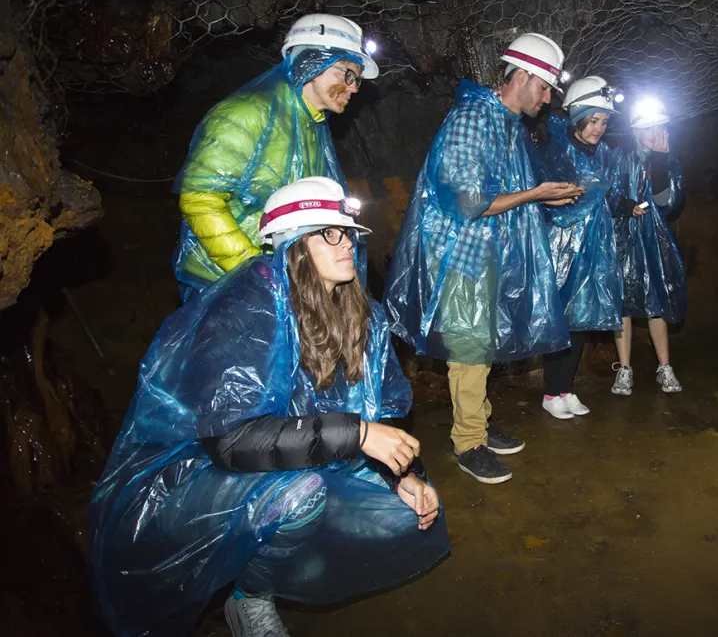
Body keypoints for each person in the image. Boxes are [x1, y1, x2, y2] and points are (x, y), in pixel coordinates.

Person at [89, 177, 449, 637]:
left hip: (302, 455)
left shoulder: (359, 311)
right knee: (301, 496)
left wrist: (407, 475)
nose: (347, 244)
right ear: (293, 245)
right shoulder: (246, 308)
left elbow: (381, 410)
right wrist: (357, 435)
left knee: (401, 514)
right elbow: (231, 441)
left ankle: (288, 553)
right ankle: (249, 597)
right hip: (195, 475)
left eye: (348, 232)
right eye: (328, 232)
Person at [384, 33, 583, 484]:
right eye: (546, 87)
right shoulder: (473, 118)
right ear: (524, 76)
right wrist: (535, 193)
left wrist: (542, 200)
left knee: (483, 343)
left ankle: (479, 423)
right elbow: (468, 200)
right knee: (470, 347)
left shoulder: (506, 123)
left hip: (490, 251)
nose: (548, 99)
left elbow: (499, 193)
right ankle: (468, 442)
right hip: (463, 253)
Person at [173, 13, 378, 300]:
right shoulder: (245, 115)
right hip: (223, 286)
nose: (354, 86)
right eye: (348, 74)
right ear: (312, 63)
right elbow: (200, 199)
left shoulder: (312, 128)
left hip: (285, 285)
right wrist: (252, 270)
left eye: (356, 79)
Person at [535, 75, 624, 420]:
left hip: (591, 247)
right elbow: (546, 198)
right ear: (577, 117)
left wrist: (622, 202)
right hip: (560, 246)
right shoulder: (554, 149)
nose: (599, 128)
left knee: (580, 318)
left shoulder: (600, 154)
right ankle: (550, 391)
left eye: (604, 121)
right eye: (593, 120)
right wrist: (580, 197)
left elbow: (606, 195)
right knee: (560, 320)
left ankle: (566, 389)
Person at [609, 96, 687, 395]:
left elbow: (668, 203)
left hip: (653, 239)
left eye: (660, 127)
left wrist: (660, 161)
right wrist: (623, 205)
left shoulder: (667, 159)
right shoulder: (618, 157)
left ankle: (664, 367)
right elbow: (607, 192)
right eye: (648, 128)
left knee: (656, 300)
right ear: (635, 131)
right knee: (622, 302)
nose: (655, 133)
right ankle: (624, 369)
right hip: (622, 238)